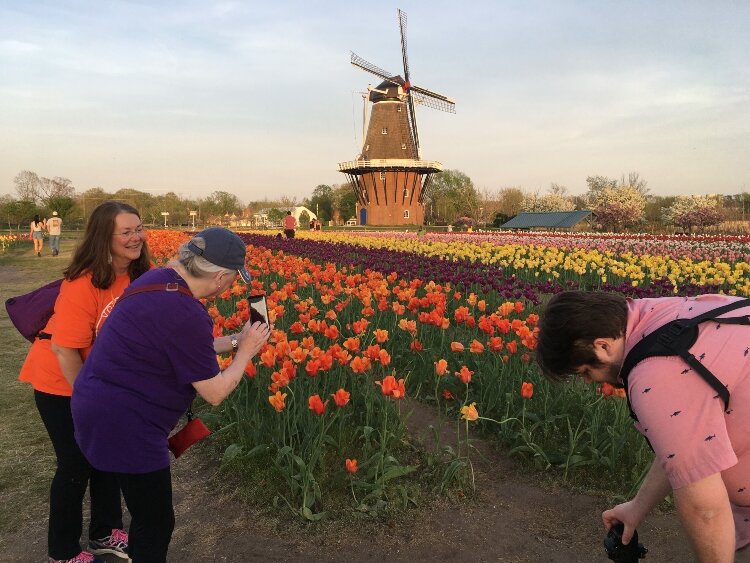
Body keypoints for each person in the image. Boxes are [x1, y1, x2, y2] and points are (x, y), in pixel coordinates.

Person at [71, 227, 272, 562]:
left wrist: (237, 339)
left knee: (145, 513)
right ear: (221, 277)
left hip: (97, 405)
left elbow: (180, 347)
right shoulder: (186, 312)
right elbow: (216, 392)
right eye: (234, 279)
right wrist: (246, 354)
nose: (232, 285)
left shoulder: (157, 281)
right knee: (155, 521)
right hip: (126, 424)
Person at [536, 291, 750, 561]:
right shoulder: (666, 313)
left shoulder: (656, 375)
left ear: (601, 346)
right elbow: (687, 441)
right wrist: (638, 507)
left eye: (586, 372)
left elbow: (705, 510)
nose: (590, 382)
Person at [19, 201, 151, 563]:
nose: (135, 237)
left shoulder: (139, 275)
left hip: (103, 381)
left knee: (106, 455)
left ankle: (105, 533)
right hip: (61, 381)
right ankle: (61, 551)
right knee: (76, 464)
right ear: (103, 238)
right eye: (125, 232)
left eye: (138, 228)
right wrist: (89, 400)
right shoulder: (84, 282)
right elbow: (64, 349)